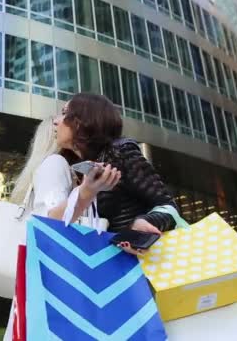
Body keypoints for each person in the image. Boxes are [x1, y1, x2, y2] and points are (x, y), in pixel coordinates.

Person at [3, 116, 119, 341]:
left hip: (48, 270)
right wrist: (86, 193)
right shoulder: (55, 164)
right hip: (54, 272)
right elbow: (52, 218)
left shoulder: (56, 166)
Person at [53, 93, 178, 255]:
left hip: (138, 263)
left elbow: (168, 206)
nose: (56, 121)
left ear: (84, 120)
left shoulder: (121, 152)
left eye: (64, 113)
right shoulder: (75, 167)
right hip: (105, 261)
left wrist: (141, 224)